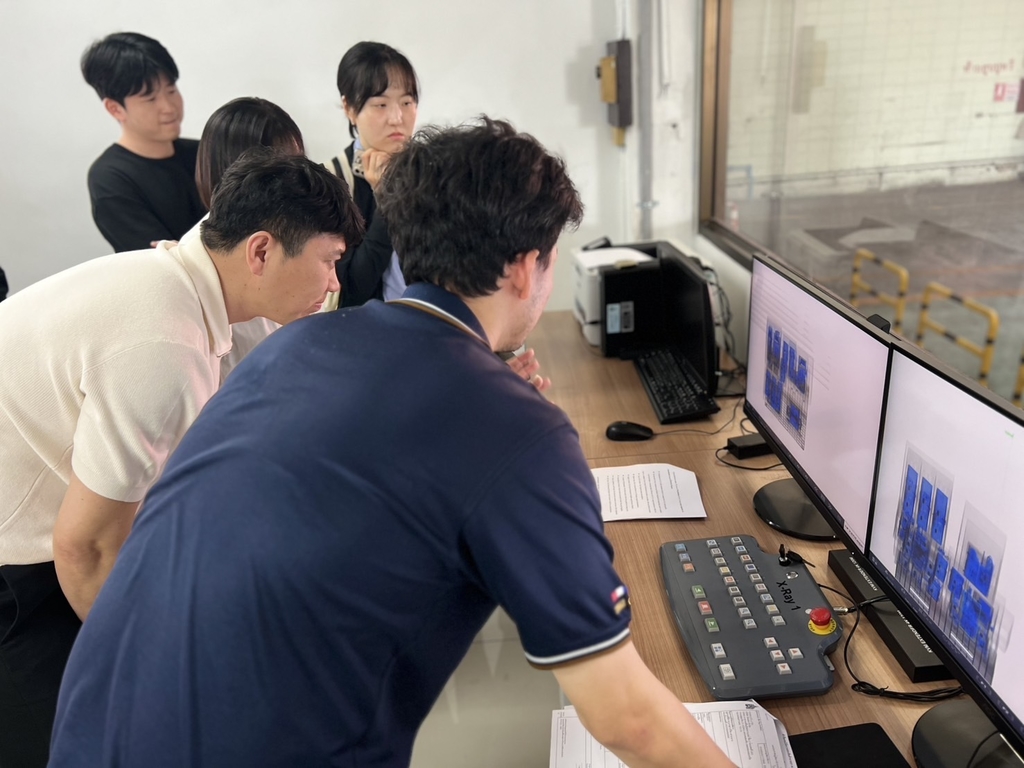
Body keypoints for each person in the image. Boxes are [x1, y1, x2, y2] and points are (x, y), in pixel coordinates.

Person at [49, 118, 733, 768]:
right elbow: (627, 719)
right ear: (528, 268)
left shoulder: (295, 344)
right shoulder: (515, 428)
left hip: (89, 730)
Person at [0, 150, 362, 768]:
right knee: (81, 742)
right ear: (261, 251)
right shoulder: (165, 340)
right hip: (20, 572)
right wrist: (163, 674)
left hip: (54, 535)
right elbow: (86, 549)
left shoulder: (186, 279)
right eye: (329, 261)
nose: (334, 284)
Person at [190, 96, 307, 380]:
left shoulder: (292, 235)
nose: (299, 182)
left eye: (299, 164)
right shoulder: (212, 260)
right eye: (283, 171)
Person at [81, 32, 206, 252]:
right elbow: (164, 262)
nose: (169, 107)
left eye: (171, 90)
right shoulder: (111, 179)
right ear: (115, 109)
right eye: (150, 99)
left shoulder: (204, 152)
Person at [328, 41, 418, 307]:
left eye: (407, 102)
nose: (397, 117)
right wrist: (386, 200)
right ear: (349, 108)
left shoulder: (430, 173)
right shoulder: (332, 181)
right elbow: (349, 291)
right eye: (381, 105)